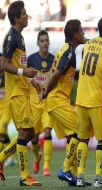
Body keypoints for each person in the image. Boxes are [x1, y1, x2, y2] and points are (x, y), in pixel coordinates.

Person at [0, 1, 42, 186]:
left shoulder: (20, 37)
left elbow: (19, 64)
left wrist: (32, 81)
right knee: (25, 132)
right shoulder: (11, 37)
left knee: (30, 132)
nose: (27, 16)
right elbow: (4, 64)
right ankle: (24, 176)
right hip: (16, 93)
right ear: (17, 18)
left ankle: (1, 157)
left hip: (23, 90)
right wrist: (24, 73)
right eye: (24, 14)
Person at [40, 19, 85, 186]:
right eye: (81, 31)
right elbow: (56, 75)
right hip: (56, 100)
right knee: (79, 131)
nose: (83, 34)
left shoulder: (65, 49)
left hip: (59, 100)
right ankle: (65, 169)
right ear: (75, 35)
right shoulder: (70, 53)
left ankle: (71, 174)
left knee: (71, 136)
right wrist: (45, 92)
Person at [76, 15, 102, 188]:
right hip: (97, 99)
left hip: (80, 97)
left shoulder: (88, 44)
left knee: (83, 139)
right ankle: (98, 178)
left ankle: (79, 177)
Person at [27, 30, 55, 176]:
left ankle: (46, 166)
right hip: (34, 104)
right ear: (38, 43)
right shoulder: (31, 60)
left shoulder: (54, 60)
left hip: (48, 103)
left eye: (46, 40)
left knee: (48, 131)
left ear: (49, 42)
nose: (44, 43)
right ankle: (37, 157)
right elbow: (24, 79)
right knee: (34, 137)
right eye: (42, 41)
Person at [0, 53, 16, 168]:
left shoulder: (8, 74)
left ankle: (2, 156)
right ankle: (10, 157)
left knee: (2, 129)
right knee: (2, 133)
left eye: (2, 61)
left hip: (7, 108)